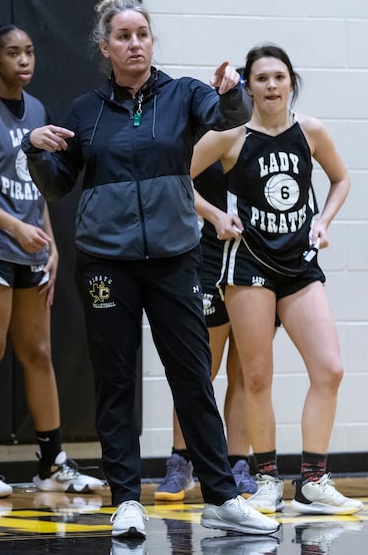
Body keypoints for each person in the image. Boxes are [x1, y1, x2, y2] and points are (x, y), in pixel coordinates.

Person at [21, 0, 280, 538]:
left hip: (175, 257)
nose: (134, 43)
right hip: (105, 263)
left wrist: (232, 95)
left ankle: (222, 497)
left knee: (192, 377)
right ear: (105, 46)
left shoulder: (185, 94)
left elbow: (228, 118)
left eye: (142, 33)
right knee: (115, 380)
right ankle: (125, 500)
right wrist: (34, 150)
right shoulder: (86, 112)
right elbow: (59, 183)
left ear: (151, 41)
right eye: (123, 36)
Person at [190, 43, 362, 516]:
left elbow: (342, 179)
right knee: (257, 377)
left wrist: (324, 221)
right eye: (261, 78)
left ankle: (312, 481)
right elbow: (175, 177)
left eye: (279, 77)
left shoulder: (311, 132)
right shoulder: (230, 137)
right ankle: (266, 478)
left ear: (291, 82)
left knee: (330, 369)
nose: (271, 85)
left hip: (300, 264)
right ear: (247, 86)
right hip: (247, 265)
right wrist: (213, 216)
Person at [0, 24, 104, 499]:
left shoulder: (38, 111)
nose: (24, 60)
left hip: (30, 245)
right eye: (13, 53)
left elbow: (40, 186)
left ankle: (51, 462)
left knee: (38, 353)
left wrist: (52, 245)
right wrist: (14, 226)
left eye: (30, 52)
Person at [154, 158, 257, 502]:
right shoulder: (212, 132)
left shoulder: (277, 135)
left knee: (245, 374)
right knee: (200, 370)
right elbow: (178, 179)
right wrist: (214, 214)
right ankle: (181, 460)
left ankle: (238, 462)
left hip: (258, 260)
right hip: (212, 255)